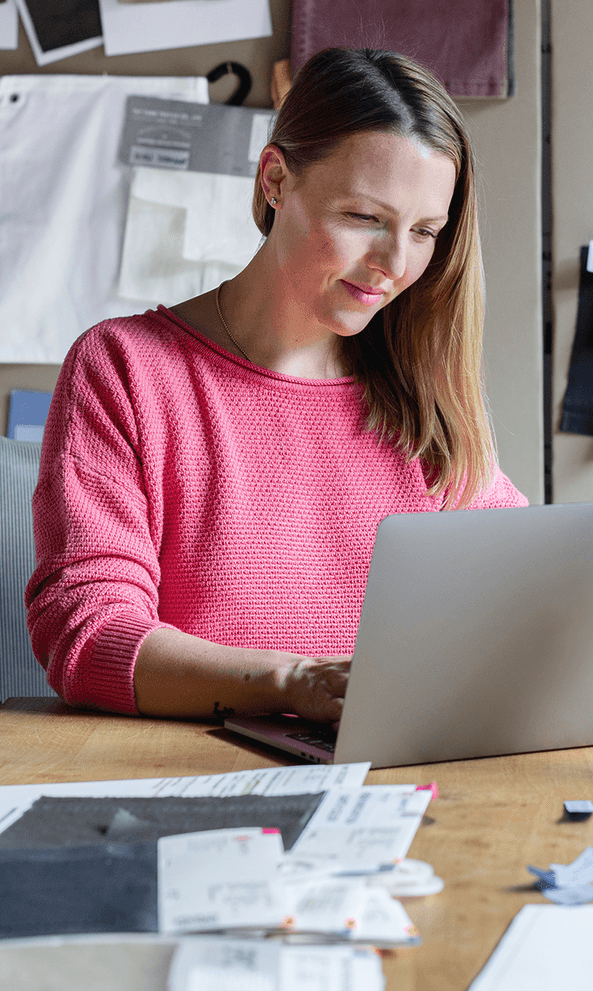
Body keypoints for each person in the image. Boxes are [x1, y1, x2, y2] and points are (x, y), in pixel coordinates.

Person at [26, 48, 527, 724]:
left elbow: (526, 590)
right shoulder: (125, 368)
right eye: (364, 218)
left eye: (425, 232)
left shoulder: (421, 396)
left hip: (390, 780)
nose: (394, 264)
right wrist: (293, 683)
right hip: (187, 775)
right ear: (275, 180)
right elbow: (87, 637)